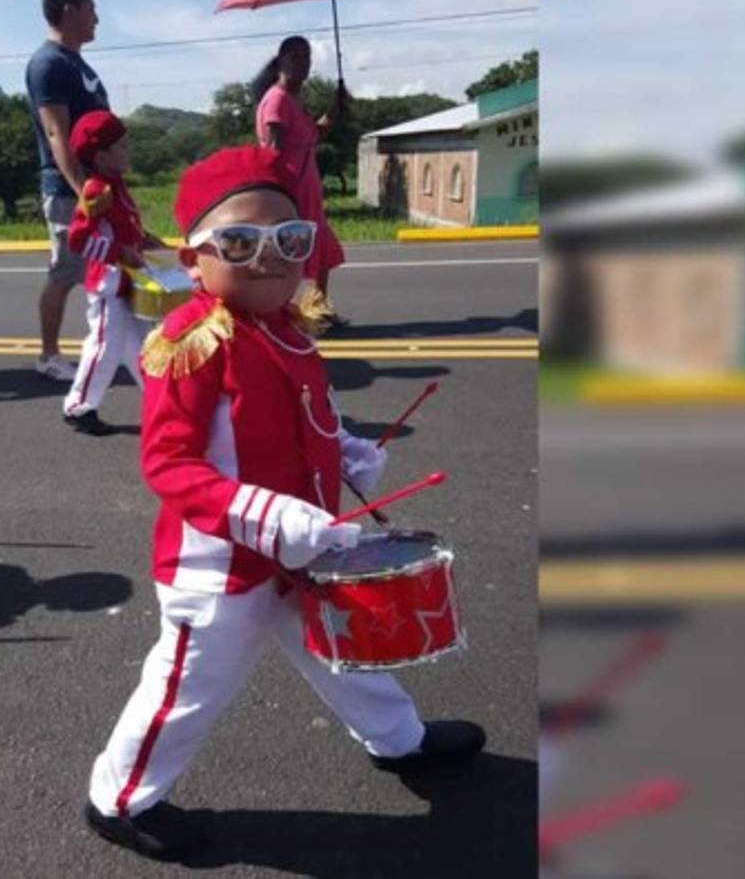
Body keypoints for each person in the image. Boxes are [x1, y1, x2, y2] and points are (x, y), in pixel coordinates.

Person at [83, 146, 486, 861]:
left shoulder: (290, 330)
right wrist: (270, 517)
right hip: (221, 567)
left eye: (290, 242)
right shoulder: (190, 339)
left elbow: (308, 419)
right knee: (186, 689)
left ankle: (400, 742)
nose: (271, 259)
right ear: (195, 259)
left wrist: (348, 451)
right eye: (240, 243)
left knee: (343, 655)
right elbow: (167, 465)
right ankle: (119, 799)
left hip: (306, 551)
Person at [61, 110, 166, 436]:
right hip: (109, 284)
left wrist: (146, 240)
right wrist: (118, 253)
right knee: (104, 346)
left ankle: (162, 405)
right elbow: (77, 238)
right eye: (121, 147)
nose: (127, 151)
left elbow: (122, 227)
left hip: (128, 282)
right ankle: (78, 407)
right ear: (101, 155)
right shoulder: (97, 190)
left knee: (146, 347)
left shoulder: (115, 185)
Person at [25, 0, 108, 380]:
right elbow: (56, 134)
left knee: (108, 269)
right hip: (68, 191)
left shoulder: (75, 63)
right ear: (68, 9)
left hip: (97, 187)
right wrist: (84, 191)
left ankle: (109, 346)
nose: (97, 16)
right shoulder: (49, 64)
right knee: (65, 273)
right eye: (91, 7)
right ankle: (48, 356)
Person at [253, 35, 351, 327]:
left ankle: (317, 308)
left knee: (320, 252)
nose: (303, 65)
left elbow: (314, 134)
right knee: (288, 259)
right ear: (281, 60)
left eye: (307, 59)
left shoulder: (295, 100)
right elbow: (273, 151)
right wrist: (281, 198)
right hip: (293, 196)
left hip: (307, 195)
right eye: (296, 58)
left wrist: (336, 107)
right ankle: (278, 315)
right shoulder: (278, 100)